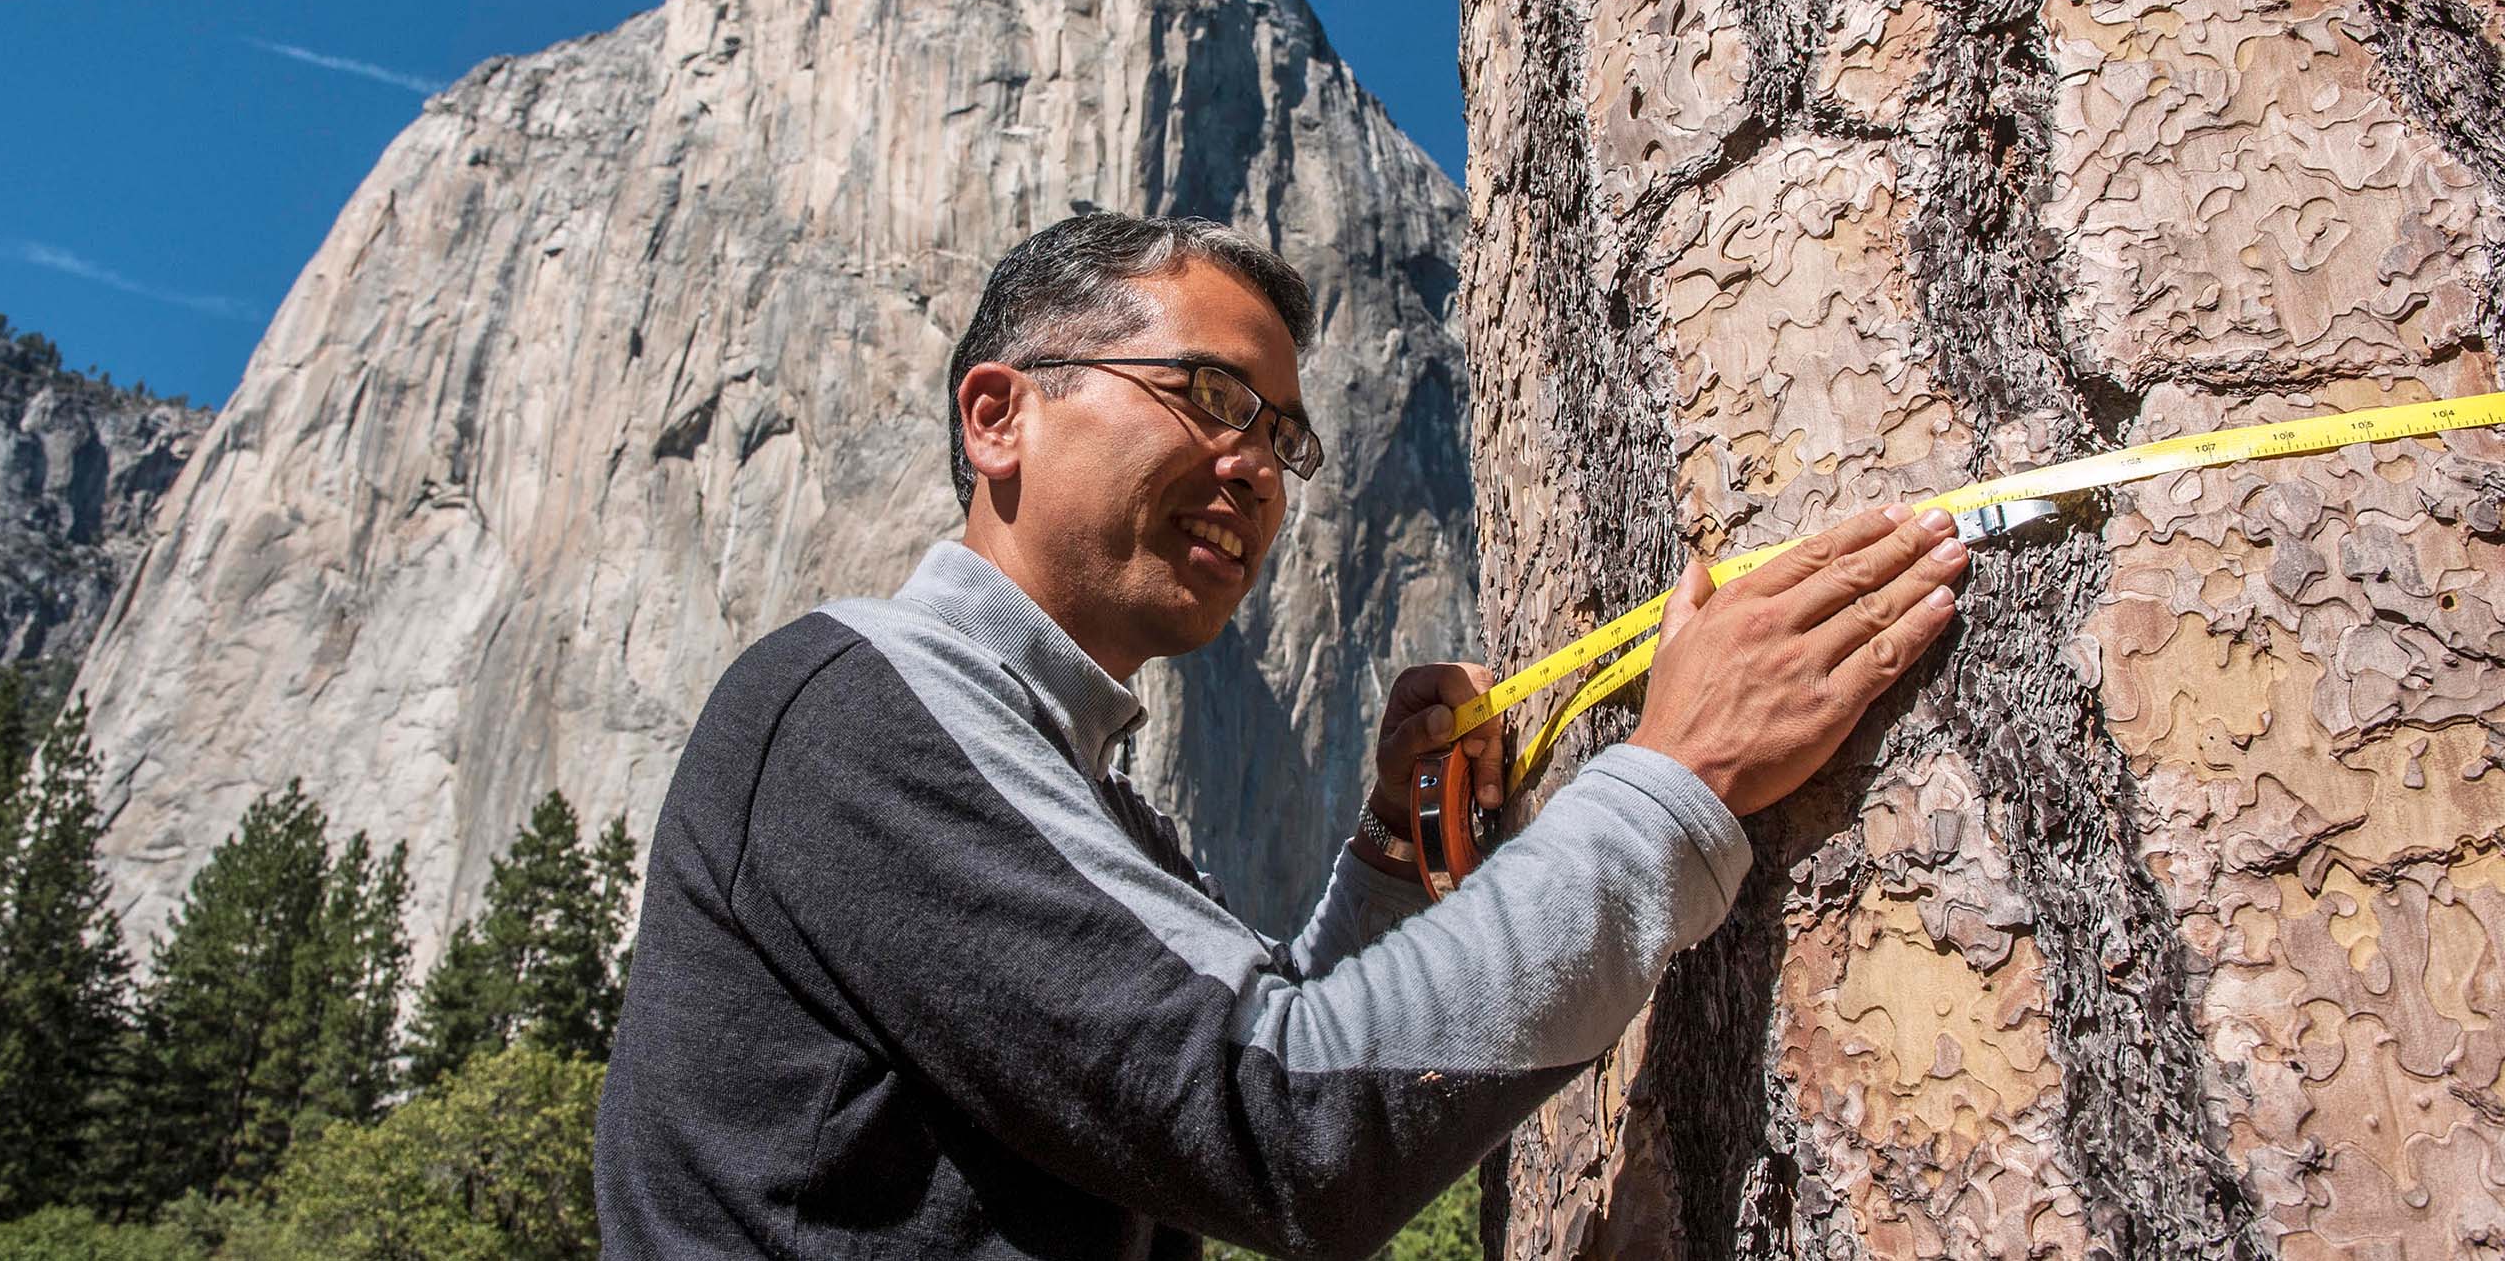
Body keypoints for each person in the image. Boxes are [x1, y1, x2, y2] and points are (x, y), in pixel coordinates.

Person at [594, 212, 1968, 1260]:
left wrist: (1386, 854)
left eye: (1285, 439)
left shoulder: (1102, 811)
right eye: (1207, 395)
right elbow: (1287, 1123)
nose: (1258, 465)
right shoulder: (847, 705)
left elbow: (1255, 1067)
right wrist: (1682, 782)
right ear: (1000, 415)